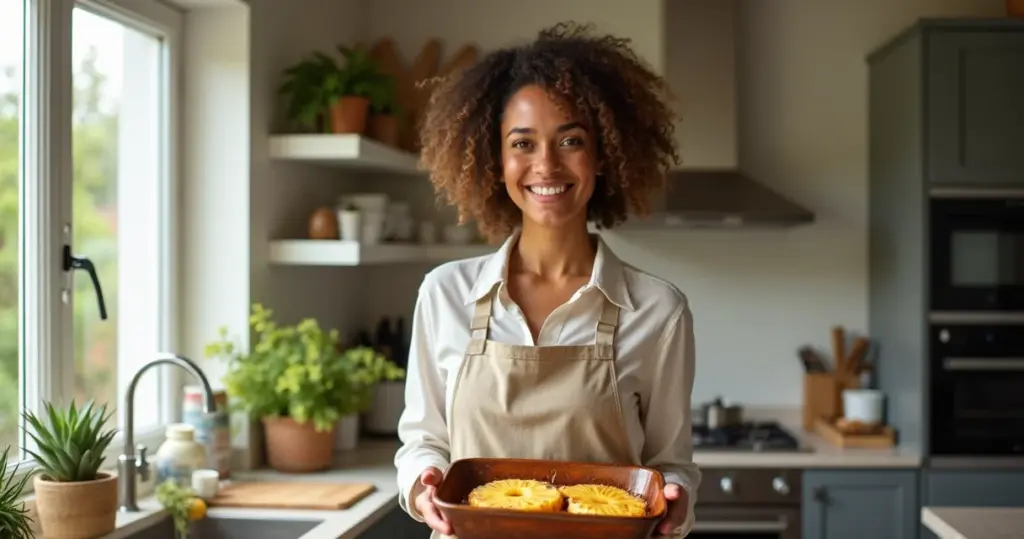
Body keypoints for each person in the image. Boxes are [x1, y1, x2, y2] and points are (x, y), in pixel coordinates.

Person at [394, 21, 701, 538]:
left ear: (603, 156)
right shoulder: (446, 294)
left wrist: (675, 502)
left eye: (571, 140)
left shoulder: (657, 310)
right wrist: (424, 487)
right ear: (496, 161)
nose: (546, 165)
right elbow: (423, 442)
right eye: (522, 143)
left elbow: (671, 465)